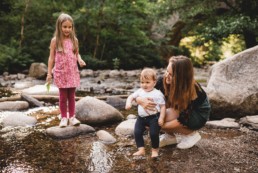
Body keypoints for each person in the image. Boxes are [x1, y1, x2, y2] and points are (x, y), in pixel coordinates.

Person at [136, 56, 211, 149]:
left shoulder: (193, 90)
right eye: (167, 71)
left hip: (197, 114)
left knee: (155, 120)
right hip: (178, 109)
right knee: (151, 115)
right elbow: (142, 92)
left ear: (182, 77)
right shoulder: (162, 80)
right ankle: (170, 136)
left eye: (171, 74)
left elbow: (184, 118)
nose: (167, 75)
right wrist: (140, 101)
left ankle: (191, 135)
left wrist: (159, 126)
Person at [46, 13, 86, 128]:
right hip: (60, 73)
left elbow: (77, 54)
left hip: (72, 72)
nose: (67, 29)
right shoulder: (55, 41)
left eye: (70, 27)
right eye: (65, 27)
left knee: (72, 96)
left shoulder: (74, 40)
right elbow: (51, 58)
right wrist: (49, 73)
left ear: (72, 27)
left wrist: (80, 60)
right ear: (59, 26)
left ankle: (72, 117)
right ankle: (64, 117)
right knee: (63, 97)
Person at [125, 68, 166, 158]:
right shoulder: (140, 91)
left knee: (154, 134)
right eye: (142, 82)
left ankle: (155, 150)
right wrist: (128, 103)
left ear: (154, 82)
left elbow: (163, 106)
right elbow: (131, 97)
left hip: (154, 117)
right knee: (137, 132)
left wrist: (161, 118)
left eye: (147, 82)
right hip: (141, 118)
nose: (144, 85)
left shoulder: (157, 94)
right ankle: (141, 149)